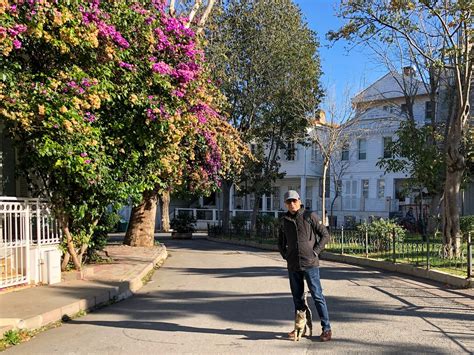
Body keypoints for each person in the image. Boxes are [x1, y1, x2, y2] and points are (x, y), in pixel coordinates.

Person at [278, 190, 332, 342]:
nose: (292, 204)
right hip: (293, 266)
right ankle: (300, 328)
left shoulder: (309, 216)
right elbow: (280, 242)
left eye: (294, 201)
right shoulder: (284, 220)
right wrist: (286, 255)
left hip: (310, 265)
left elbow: (325, 235)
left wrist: (315, 251)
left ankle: (326, 329)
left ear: (299, 201)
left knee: (317, 296)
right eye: (289, 202)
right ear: (285, 204)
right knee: (297, 298)